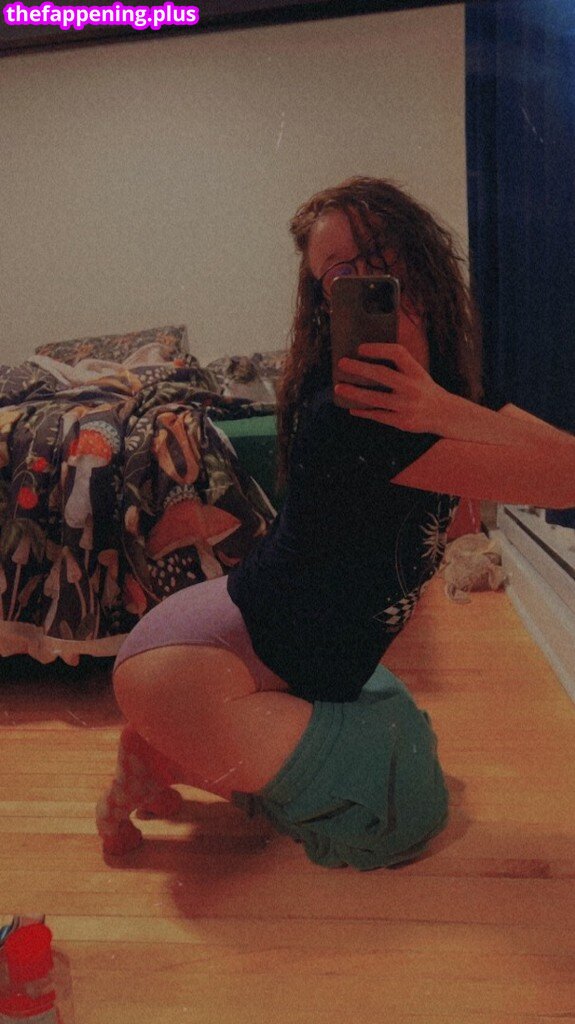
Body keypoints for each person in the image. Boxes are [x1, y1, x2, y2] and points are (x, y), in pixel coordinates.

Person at [96, 177, 575, 869]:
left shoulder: (446, 389)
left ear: (418, 253)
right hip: (194, 666)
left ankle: (168, 748)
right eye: (337, 274)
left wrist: (445, 408)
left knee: (409, 755)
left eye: (375, 251)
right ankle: (158, 752)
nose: (362, 277)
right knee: (405, 819)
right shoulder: (354, 413)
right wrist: (446, 413)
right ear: (326, 301)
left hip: (272, 654)